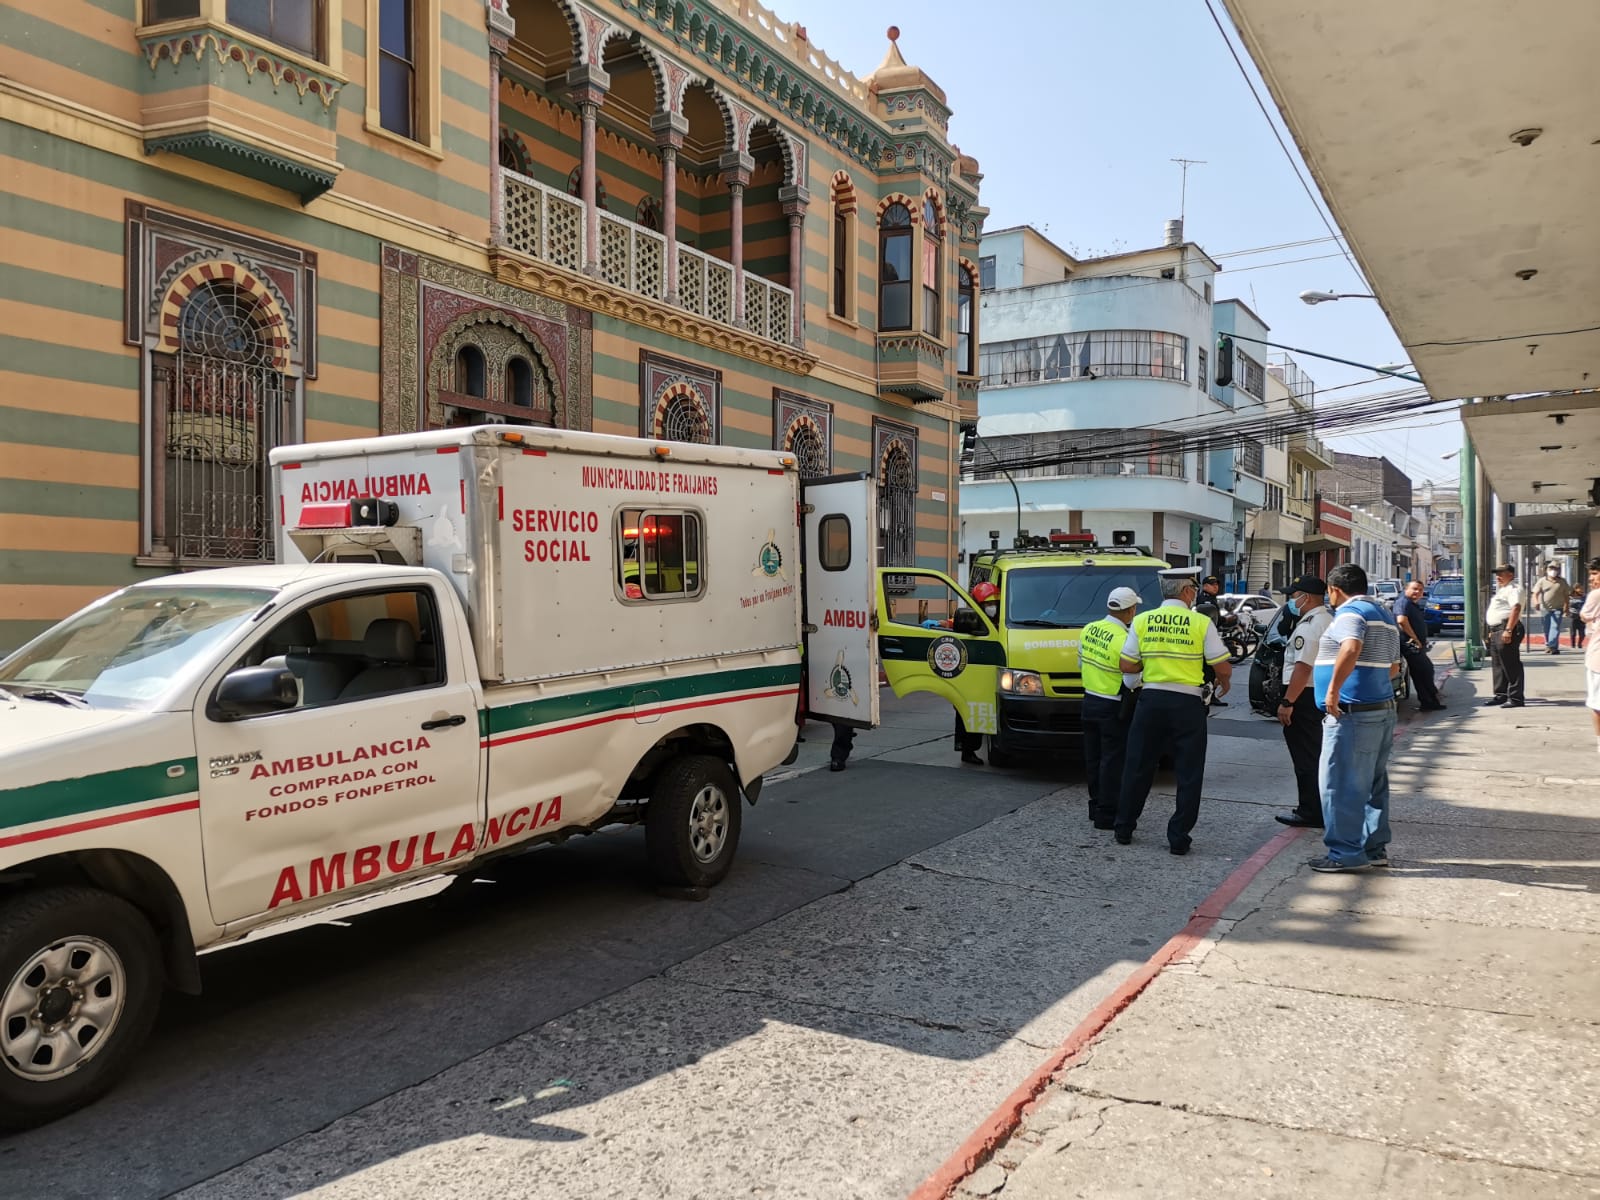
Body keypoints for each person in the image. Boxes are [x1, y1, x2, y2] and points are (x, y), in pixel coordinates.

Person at [1113, 567, 1232, 855]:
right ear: (1187, 591)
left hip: (1151, 701)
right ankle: (1178, 837)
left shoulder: (1142, 620)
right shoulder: (1201, 623)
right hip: (1187, 705)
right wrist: (1223, 682)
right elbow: (1223, 666)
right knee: (1189, 772)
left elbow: (1127, 666)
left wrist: (1151, 666)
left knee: (1138, 765)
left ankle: (1124, 827)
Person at [1308, 563, 1403, 873]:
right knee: (1373, 784)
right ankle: (1374, 848)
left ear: (1335, 590)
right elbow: (1393, 668)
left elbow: (1351, 646)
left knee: (1339, 784)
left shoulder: (1350, 613)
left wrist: (1333, 691)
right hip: (1380, 710)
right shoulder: (1384, 615)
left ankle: (1343, 853)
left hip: (1352, 714)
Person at [1272, 576, 1334, 829]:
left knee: (1305, 757)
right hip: (1316, 693)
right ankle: (1319, 808)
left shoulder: (1310, 625)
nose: (1291, 601)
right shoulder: (1327, 620)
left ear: (1305, 597)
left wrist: (1288, 701)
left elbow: (1303, 667)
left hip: (1303, 696)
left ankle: (1310, 811)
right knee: (1316, 754)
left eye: (1293, 595)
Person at [1079, 586, 1142, 830]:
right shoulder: (1124, 639)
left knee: (1093, 759)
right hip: (1113, 706)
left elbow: (1080, 661)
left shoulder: (1089, 629)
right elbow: (1130, 680)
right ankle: (1107, 815)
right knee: (1112, 762)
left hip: (1088, 702)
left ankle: (1095, 807)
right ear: (1130, 611)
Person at [1394, 579, 1445, 711]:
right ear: (1406, 589)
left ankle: (1428, 702)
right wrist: (1415, 638)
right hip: (1410, 645)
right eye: (1415, 589)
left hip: (1417, 644)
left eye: (1420, 590)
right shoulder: (1403, 602)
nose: (1418, 592)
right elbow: (1402, 620)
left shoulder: (1412, 604)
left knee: (1420, 674)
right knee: (1426, 670)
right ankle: (1430, 699)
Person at [1483, 563, 1527, 707]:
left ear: (1511, 575)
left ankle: (1516, 698)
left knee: (1510, 664)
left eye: (1502, 574)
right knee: (1498, 664)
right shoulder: (1502, 590)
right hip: (1497, 629)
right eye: (1497, 574)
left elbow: (1516, 608)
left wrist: (1508, 630)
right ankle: (1501, 694)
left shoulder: (1514, 589)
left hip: (1507, 628)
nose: (1498, 577)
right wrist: (1493, 631)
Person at [1193, 576, 1228, 706]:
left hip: (1211, 637)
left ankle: (1209, 693)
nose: (1216, 587)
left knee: (1211, 669)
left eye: (1217, 584)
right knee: (1209, 669)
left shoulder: (1211, 599)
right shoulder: (1204, 600)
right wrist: (1226, 620)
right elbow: (1210, 619)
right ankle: (1208, 694)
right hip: (1205, 639)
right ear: (1205, 586)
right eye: (1212, 584)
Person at [1581, 558, 1600, 758]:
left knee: (1597, 703)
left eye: (1595, 574)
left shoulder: (1596, 595)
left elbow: (1584, 615)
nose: (1591, 579)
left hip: (1598, 658)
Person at [1530, 563, 1571, 654]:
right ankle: (1550, 646)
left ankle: (1552, 646)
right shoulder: (1542, 581)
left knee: (1555, 627)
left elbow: (1566, 595)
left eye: (1556, 568)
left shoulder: (1562, 582)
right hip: (1545, 609)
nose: (1553, 570)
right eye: (1551, 568)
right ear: (1546, 570)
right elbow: (1535, 593)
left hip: (1558, 608)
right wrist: (1536, 602)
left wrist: (1567, 607)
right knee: (1546, 628)